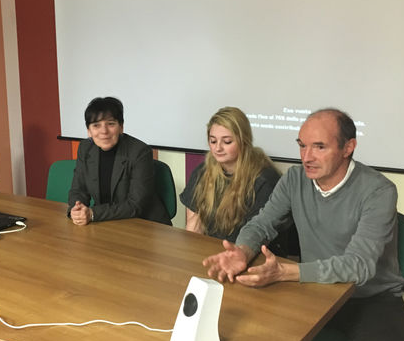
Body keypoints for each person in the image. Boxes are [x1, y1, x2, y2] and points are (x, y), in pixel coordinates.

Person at [203, 108, 404, 341]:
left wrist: (290, 272)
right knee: (243, 325)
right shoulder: (295, 179)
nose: (307, 157)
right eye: (302, 145)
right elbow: (261, 223)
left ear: (348, 147)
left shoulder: (378, 190)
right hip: (315, 290)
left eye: (319, 147)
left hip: (371, 297)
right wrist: (243, 252)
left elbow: (360, 266)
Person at [180, 106, 280, 242]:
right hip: (208, 248)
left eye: (227, 141)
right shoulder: (202, 171)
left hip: (246, 249)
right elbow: (193, 229)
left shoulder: (264, 180)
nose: (218, 148)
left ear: (244, 141)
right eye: (213, 141)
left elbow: (256, 235)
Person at [68, 97, 171, 226]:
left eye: (111, 124)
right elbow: (78, 190)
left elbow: (136, 205)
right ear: (89, 131)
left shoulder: (139, 152)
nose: (104, 131)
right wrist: (77, 209)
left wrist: (93, 214)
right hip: (107, 222)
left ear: (121, 127)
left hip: (145, 224)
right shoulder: (85, 148)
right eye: (96, 125)